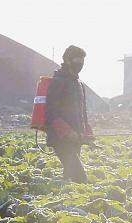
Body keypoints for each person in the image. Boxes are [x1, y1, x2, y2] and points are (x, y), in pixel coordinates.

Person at [46, 45, 95, 183]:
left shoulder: (79, 84)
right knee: (80, 178)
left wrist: (87, 133)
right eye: (78, 60)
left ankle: (66, 202)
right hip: (61, 139)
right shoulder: (58, 81)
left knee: (69, 179)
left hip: (75, 139)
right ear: (68, 60)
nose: (80, 64)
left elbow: (82, 113)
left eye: (82, 61)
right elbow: (51, 112)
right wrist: (67, 131)